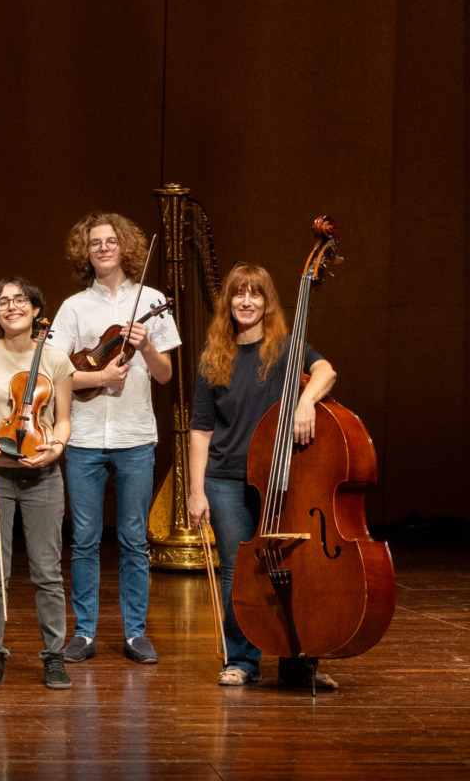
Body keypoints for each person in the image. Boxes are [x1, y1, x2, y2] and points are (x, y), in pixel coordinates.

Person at [187, 262, 339, 690]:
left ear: (267, 301)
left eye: (256, 293)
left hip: (283, 478)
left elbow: (326, 370)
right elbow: (201, 429)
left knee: (296, 569)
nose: (247, 301)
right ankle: (242, 661)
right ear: (229, 302)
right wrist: (196, 490)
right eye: (239, 293)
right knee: (237, 570)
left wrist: (305, 401)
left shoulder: (289, 348)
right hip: (227, 478)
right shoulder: (212, 358)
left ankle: (298, 660)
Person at [52, 212, 179, 664]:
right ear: (84, 252)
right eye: (94, 243)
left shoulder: (152, 299)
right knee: (84, 538)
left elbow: (164, 376)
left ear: (125, 247)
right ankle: (84, 633)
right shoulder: (73, 307)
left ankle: (135, 633)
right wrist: (101, 376)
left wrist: (146, 346)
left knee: (131, 538)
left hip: (135, 436)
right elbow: (58, 373)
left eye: (110, 241)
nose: (103, 248)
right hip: (84, 436)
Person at [0, 277, 75, 690]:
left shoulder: (57, 360)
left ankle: (54, 657)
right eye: (3, 302)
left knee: (47, 571)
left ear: (34, 309)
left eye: (20, 300)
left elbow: (62, 419)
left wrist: (57, 446)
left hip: (42, 472)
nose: (12, 307)